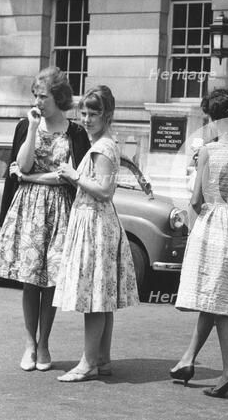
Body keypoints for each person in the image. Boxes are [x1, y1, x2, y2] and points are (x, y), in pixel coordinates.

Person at [0, 66, 91, 372]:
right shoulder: (26, 126)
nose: (38, 101)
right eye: (35, 95)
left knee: (50, 282)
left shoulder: (75, 132)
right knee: (29, 281)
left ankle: (45, 342)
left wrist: (32, 177)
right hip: (28, 211)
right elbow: (20, 165)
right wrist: (33, 129)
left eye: (43, 96)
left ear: (59, 97)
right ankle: (29, 345)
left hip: (60, 211)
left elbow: (72, 178)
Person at [170, 88, 228, 398]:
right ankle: (187, 361)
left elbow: (196, 199)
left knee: (217, 301)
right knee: (216, 295)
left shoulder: (209, 151)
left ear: (215, 120)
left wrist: (193, 231)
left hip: (215, 221)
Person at [53, 85, 139, 382]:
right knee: (101, 297)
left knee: (93, 298)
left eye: (94, 113)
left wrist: (74, 175)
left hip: (96, 224)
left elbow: (104, 190)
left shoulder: (103, 147)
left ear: (108, 115)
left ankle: (88, 362)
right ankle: (101, 359)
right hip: (96, 223)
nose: (87, 119)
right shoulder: (104, 144)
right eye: (84, 113)